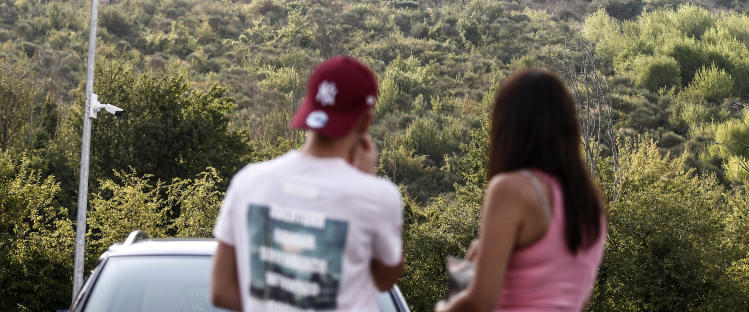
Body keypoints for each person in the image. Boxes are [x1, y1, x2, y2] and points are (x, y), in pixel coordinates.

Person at [211, 55, 404, 311]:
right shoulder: (377, 196)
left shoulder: (248, 181)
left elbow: (220, 292)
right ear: (366, 121)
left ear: (309, 107)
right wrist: (364, 178)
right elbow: (384, 280)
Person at [436, 69, 606, 312]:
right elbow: (574, 294)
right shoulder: (591, 202)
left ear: (507, 126)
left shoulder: (511, 190)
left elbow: (480, 302)